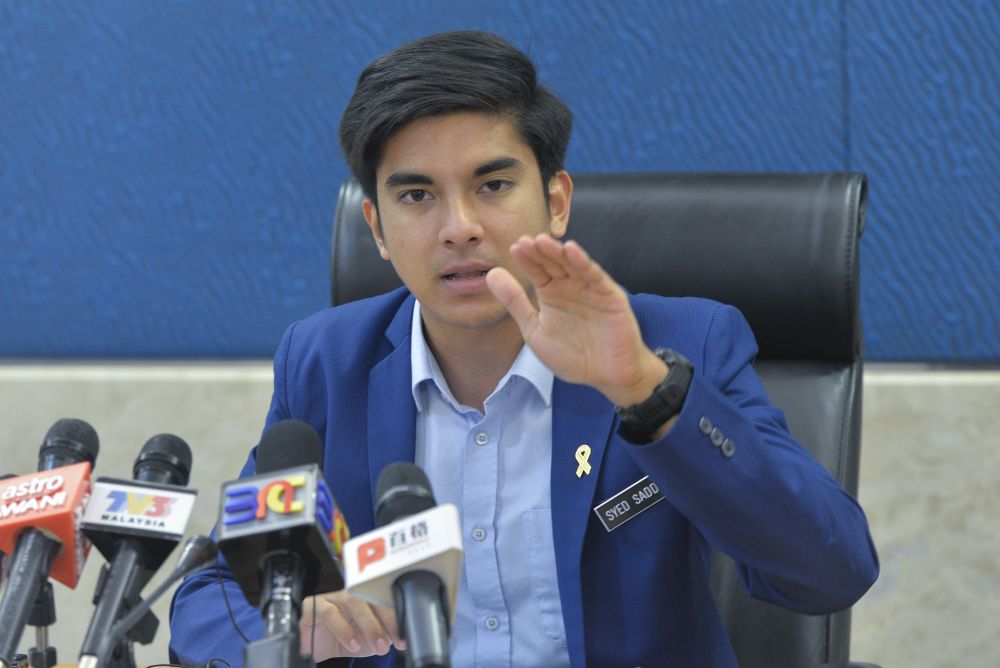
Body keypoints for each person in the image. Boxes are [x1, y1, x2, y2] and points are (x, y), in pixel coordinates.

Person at [169, 30, 878, 667]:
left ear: (556, 201)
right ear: (377, 228)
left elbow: (832, 571)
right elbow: (211, 596)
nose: (459, 227)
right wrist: (288, 626)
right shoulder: (326, 365)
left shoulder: (676, 345)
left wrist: (647, 392)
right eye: (416, 196)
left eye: (493, 185)